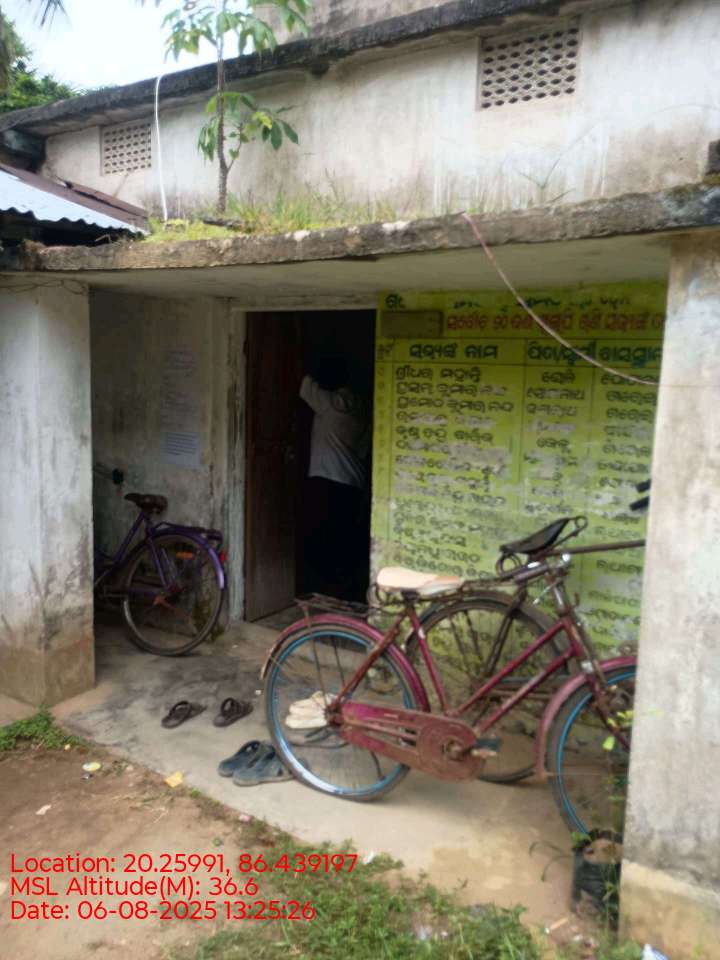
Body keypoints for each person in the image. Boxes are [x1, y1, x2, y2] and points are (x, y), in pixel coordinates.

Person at [299, 357, 370, 598]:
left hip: (326, 479)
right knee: (344, 538)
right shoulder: (363, 410)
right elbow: (364, 450)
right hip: (353, 482)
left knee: (322, 536)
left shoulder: (329, 402)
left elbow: (303, 385)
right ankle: (342, 589)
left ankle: (322, 588)